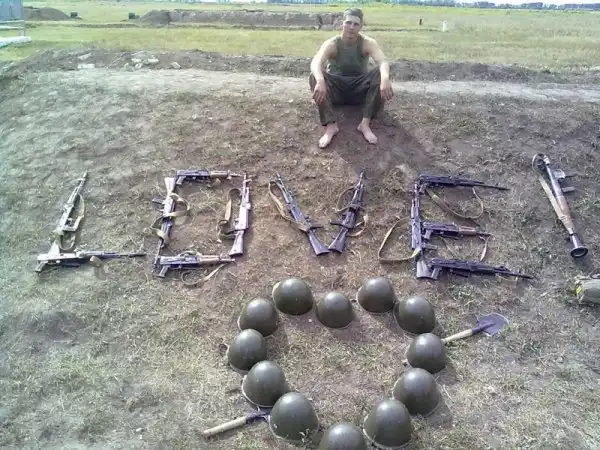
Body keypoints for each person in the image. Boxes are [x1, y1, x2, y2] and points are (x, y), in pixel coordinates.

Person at [309, 8, 393, 149]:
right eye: (348, 23)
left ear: (361, 26)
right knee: (315, 76)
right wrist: (320, 80)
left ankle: (365, 124)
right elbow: (316, 62)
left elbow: (382, 61)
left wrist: (385, 79)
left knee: (381, 73)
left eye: (356, 24)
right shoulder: (332, 44)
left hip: (359, 89)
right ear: (342, 23)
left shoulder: (367, 42)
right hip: (336, 89)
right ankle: (331, 125)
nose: (351, 27)